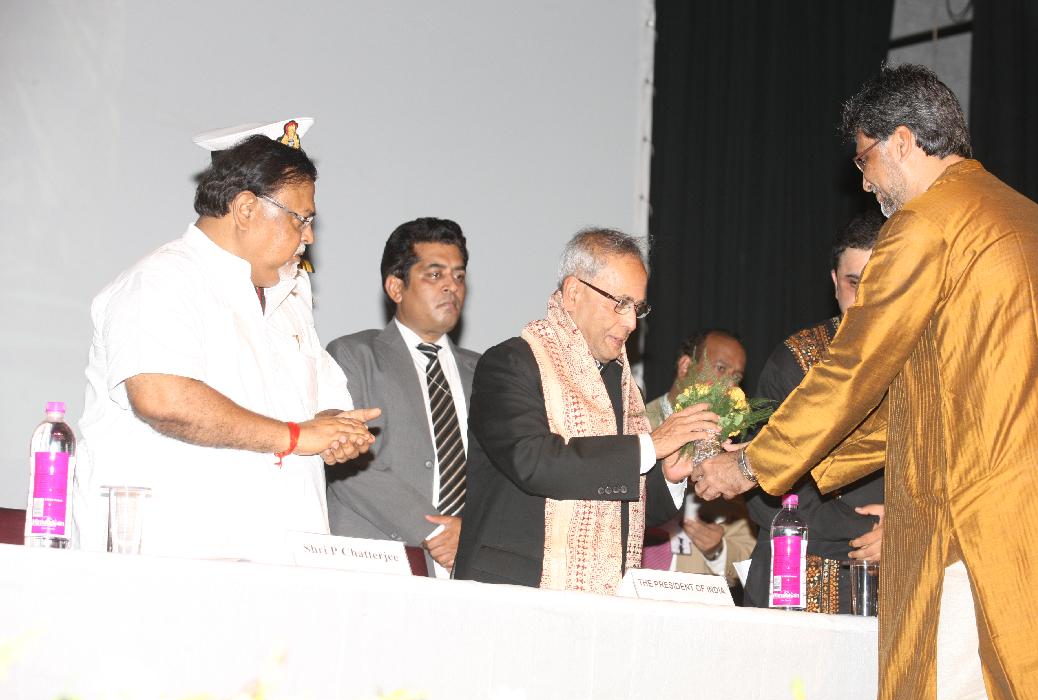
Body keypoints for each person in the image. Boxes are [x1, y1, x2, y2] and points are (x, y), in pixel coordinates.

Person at [694, 64, 1038, 700]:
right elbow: (934, 398)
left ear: (902, 141)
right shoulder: (1037, 223)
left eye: (864, 159)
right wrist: (802, 463)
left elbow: (854, 367)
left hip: (987, 529)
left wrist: (753, 464)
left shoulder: (926, 223)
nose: (865, 182)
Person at [75, 132, 378, 563]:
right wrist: (294, 436)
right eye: (300, 219)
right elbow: (163, 400)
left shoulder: (289, 298)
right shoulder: (161, 280)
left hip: (284, 558)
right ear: (246, 208)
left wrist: (334, 430)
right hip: (179, 557)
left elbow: (320, 407)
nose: (309, 236)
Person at [453, 228, 719, 594]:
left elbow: (631, 511)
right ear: (574, 292)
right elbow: (534, 462)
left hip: (601, 604)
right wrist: (649, 446)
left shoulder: (624, 388)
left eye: (638, 308)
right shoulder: (511, 363)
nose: (631, 323)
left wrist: (669, 478)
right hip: (512, 593)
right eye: (620, 303)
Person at [744, 210, 886, 613]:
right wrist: (878, 531)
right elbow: (762, 487)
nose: (864, 298)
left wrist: (910, 528)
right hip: (801, 582)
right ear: (834, 282)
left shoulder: (928, 367)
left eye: (878, 282)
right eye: (854, 282)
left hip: (902, 585)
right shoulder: (795, 360)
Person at [326, 218, 479, 575]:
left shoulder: (485, 371)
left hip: (468, 565)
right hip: (378, 564)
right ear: (396, 287)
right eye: (435, 275)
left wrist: (471, 531)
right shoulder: (354, 356)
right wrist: (435, 531)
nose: (452, 287)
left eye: (459, 276)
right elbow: (345, 462)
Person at [644, 329, 756, 586]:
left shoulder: (726, 455)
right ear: (686, 366)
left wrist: (717, 550)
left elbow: (747, 551)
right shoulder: (633, 428)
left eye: (736, 377)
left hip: (695, 600)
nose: (729, 385)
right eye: (720, 368)